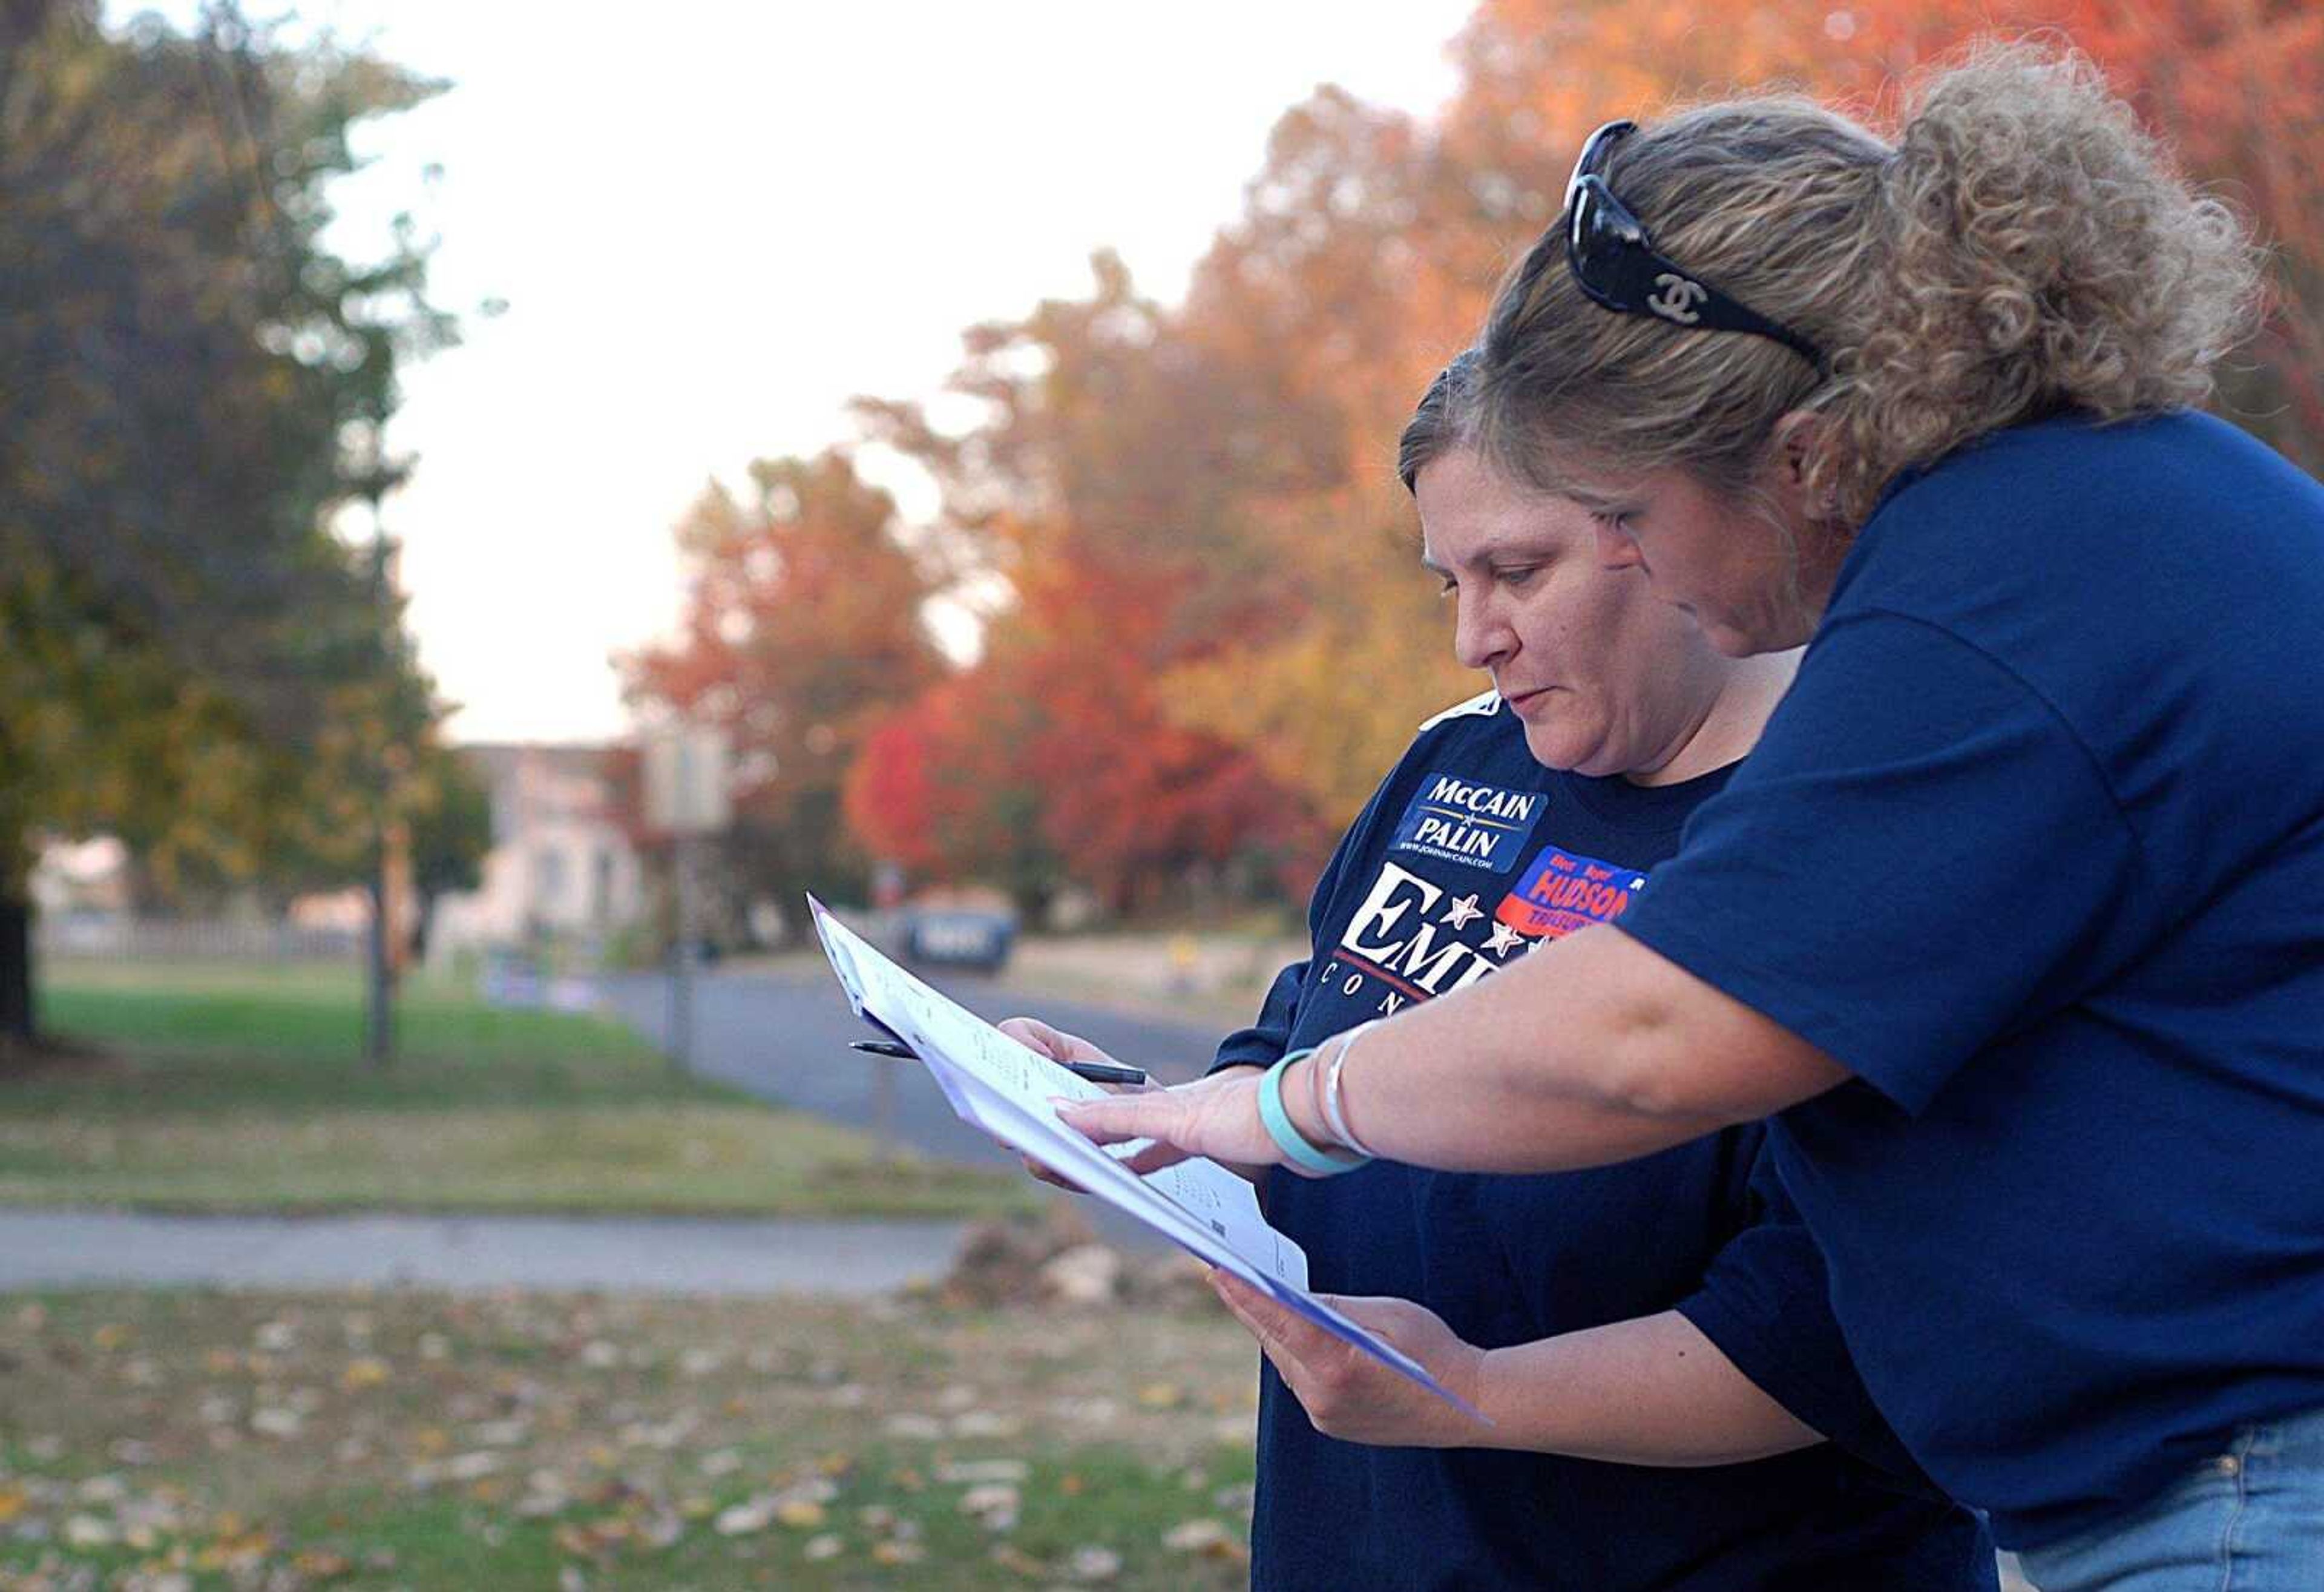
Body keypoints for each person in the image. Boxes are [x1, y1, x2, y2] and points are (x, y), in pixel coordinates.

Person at [1059, 44, 2324, 1589]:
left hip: (2246, 1481)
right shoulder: (2101, 514)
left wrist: (1263, 1112)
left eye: (1632, 520)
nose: (1645, 574)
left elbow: (1656, 1036)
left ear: (1798, 454)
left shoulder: (2006, 586)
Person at [1011, 352, 1996, 1588]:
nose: (1476, 636)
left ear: (1672, 525)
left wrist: (1465, 1396)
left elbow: (1834, 1331)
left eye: (1519, 572)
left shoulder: (1850, 821)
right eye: (1448, 581)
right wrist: (1142, 1116)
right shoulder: (1457, 765)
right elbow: (1304, 1046)